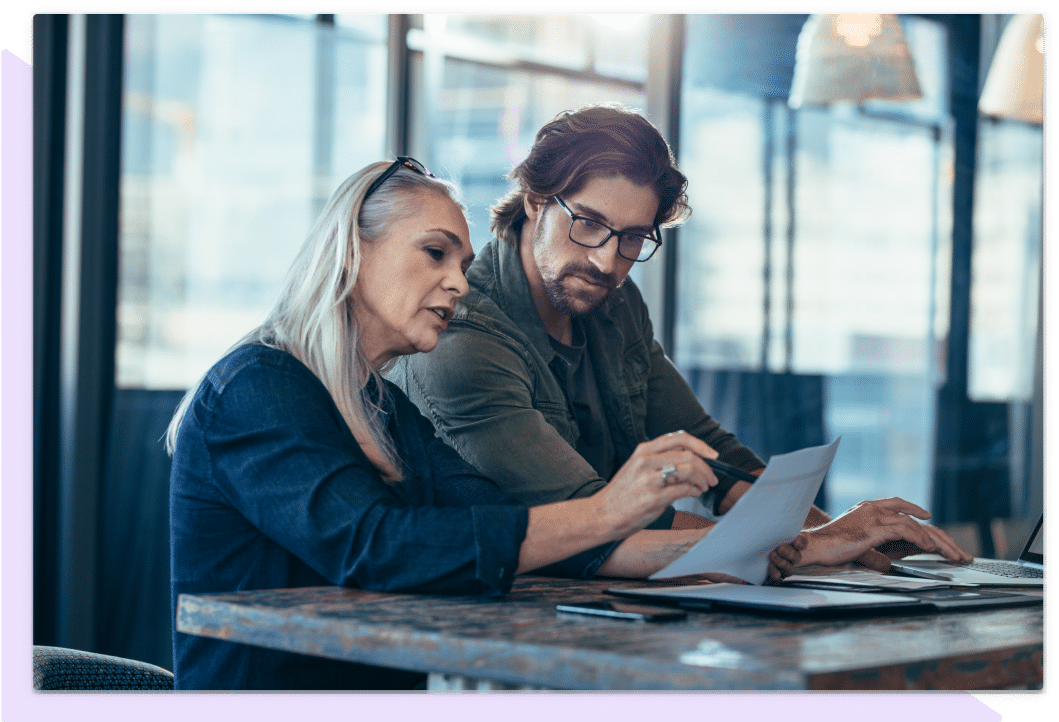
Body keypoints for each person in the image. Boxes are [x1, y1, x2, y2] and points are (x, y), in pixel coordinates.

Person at [165, 158, 808, 691]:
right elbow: (374, 547)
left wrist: (749, 552)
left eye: (463, 262)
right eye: (435, 254)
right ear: (351, 251)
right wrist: (612, 508)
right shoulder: (259, 385)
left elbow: (511, 528)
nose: (460, 285)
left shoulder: (385, 407)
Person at [388, 103, 972, 572]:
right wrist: (814, 546)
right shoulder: (461, 337)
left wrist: (845, 544)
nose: (606, 260)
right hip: (498, 618)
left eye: (633, 238)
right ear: (537, 201)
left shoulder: (612, 302)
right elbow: (590, 516)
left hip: (612, 604)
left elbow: (712, 456)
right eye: (588, 223)